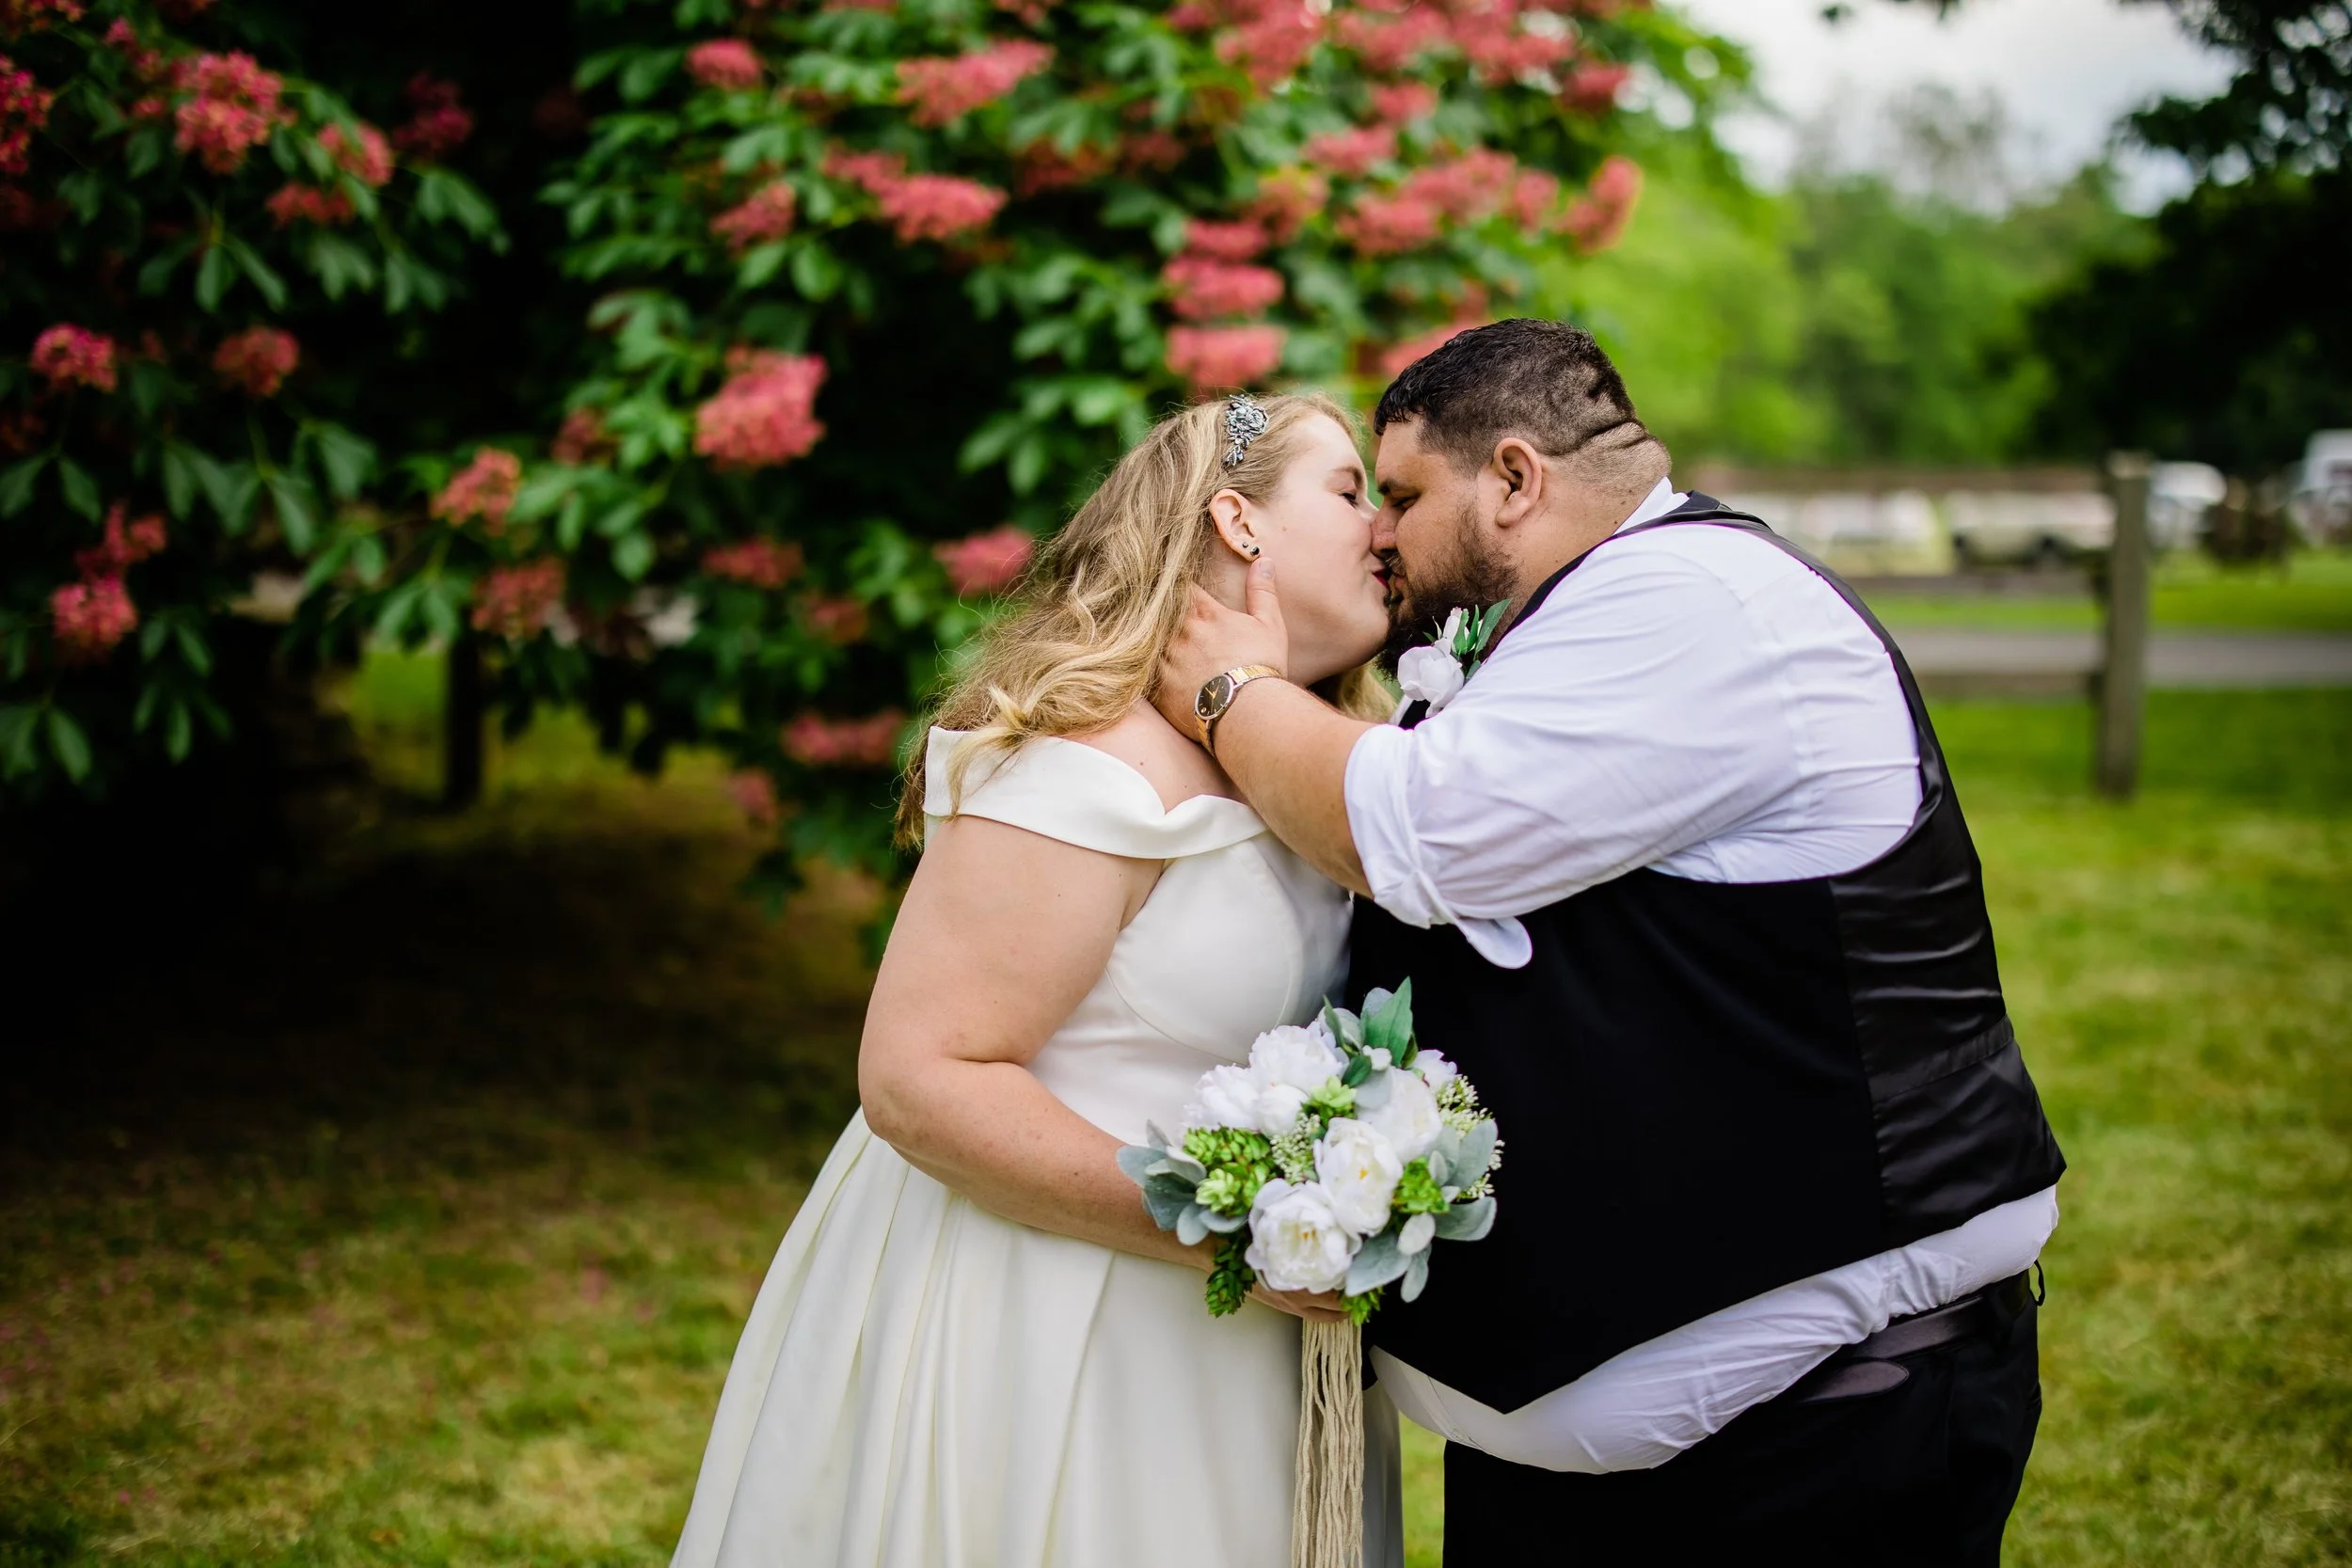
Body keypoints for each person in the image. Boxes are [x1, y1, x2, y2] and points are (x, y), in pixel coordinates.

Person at [1153, 318, 2068, 1565]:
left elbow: (1417, 832)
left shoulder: (1695, 602)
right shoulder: (1591, 611)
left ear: (1517, 479)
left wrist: (1228, 689)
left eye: (1406, 495)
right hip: (1628, 1468)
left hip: (1814, 1450)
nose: (1382, 531)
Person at [670, 392, 1406, 1568]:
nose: (1386, 528)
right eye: (1350, 490)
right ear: (1238, 520)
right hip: (1056, 1316)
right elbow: (918, 1077)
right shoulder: (1092, 759)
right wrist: (1232, 1233)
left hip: (1241, 1340)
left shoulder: (1316, 767)